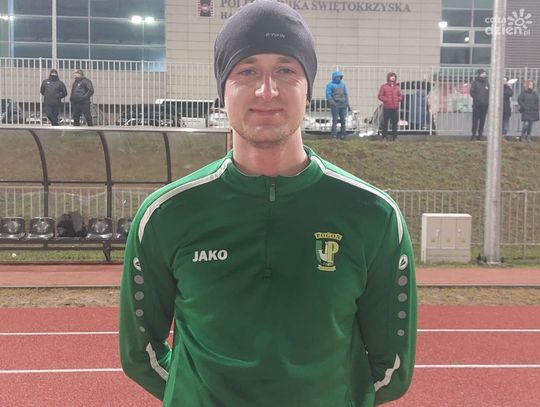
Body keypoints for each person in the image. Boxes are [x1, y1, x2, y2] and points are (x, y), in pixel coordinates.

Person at [119, 1, 417, 406]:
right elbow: (141, 356)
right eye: (247, 71)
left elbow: (392, 369)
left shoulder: (373, 215)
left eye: (286, 70)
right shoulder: (165, 215)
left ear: (308, 88)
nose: (267, 90)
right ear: (223, 89)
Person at [378, 72, 402, 141]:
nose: (393, 78)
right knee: (385, 123)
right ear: (388, 77)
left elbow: (400, 96)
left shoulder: (397, 87)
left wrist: (398, 99)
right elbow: (380, 96)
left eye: (394, 76)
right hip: (387, 108)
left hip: (395, 108)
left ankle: (395, 137)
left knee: (395, 123)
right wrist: (386, 100)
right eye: (391, 76)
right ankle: (384, 137)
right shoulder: (383, 87)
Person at [326, 70, 349, 139]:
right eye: (337, 77)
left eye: (340, 77)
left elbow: (346, 93)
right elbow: (328, 94)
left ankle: (343, 134)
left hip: (343, 105)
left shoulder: (343, 84)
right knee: (335, 120)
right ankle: (334, 135)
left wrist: (346, 102)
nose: (339, 78)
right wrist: (333, 102)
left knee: (343, 120)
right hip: (335, 105)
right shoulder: (330, 85)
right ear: (334, 77)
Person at [470, 69, 489, 141]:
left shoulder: (487, 83)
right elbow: (472, 92)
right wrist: (477, 99)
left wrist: (486, 101)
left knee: (482, 120)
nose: (484, 74)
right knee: (475, 120)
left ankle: (480, 135)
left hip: (485, 105)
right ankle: (473, 135)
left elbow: (489, 93)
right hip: (477, 105)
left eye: (485, 73)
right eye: (483, 73)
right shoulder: (475, 82)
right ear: (479, 74)